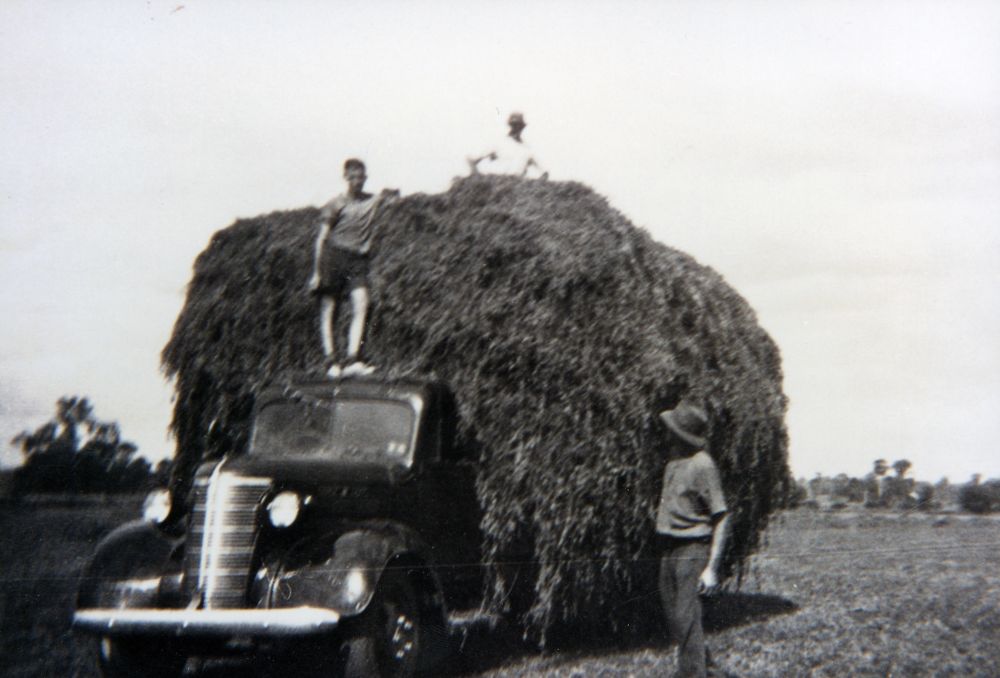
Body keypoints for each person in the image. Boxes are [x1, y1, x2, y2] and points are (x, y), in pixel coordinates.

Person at [655, 399, 730, 677]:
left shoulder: (703, 465)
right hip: (669, 549)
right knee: (678, 621)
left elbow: (721, 516)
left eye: (672, 428)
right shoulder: (674, 461)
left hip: (692, 550)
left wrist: (711, 568)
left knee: (686, 622)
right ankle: (705, 670)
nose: (667, 432)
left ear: (680, 433)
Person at [308, 158, 395, 378]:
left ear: (365, 177)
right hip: (334, 256)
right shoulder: (336, 204)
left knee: (362, 303)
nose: (358, 181)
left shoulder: (372, 200)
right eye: (353, 177)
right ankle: (331, 361)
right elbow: (321, 239)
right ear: (346, 178)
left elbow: (393, 198)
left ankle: (353, 358)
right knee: (330, 309)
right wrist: (316, 272)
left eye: (361, 177)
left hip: (357, 260)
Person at [467, 111, 548, 179]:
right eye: (514, 125)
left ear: (522, 127)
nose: (516, 128)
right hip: (499, 186)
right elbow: (472, 160)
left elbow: (543, 172)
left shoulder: (526, 148)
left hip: (517, 188)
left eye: (519, 126)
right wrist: (477, 177)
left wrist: (542, 179)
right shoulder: (498, 143)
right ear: (510, 126)